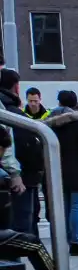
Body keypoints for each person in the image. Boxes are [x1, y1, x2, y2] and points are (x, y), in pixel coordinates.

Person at [46, 91, 78, 256]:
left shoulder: (50, 124)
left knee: (66, 207)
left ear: (59, 103)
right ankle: (76, 241)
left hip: (59, 171)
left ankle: (67, 239)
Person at [0, 69, 43, 236]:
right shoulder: (10, 111)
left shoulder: (10, 109)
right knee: (22, 224)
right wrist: (15, 172)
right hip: (22, 175)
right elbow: (7, 143)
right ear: (16, 87)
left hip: (23, 173)